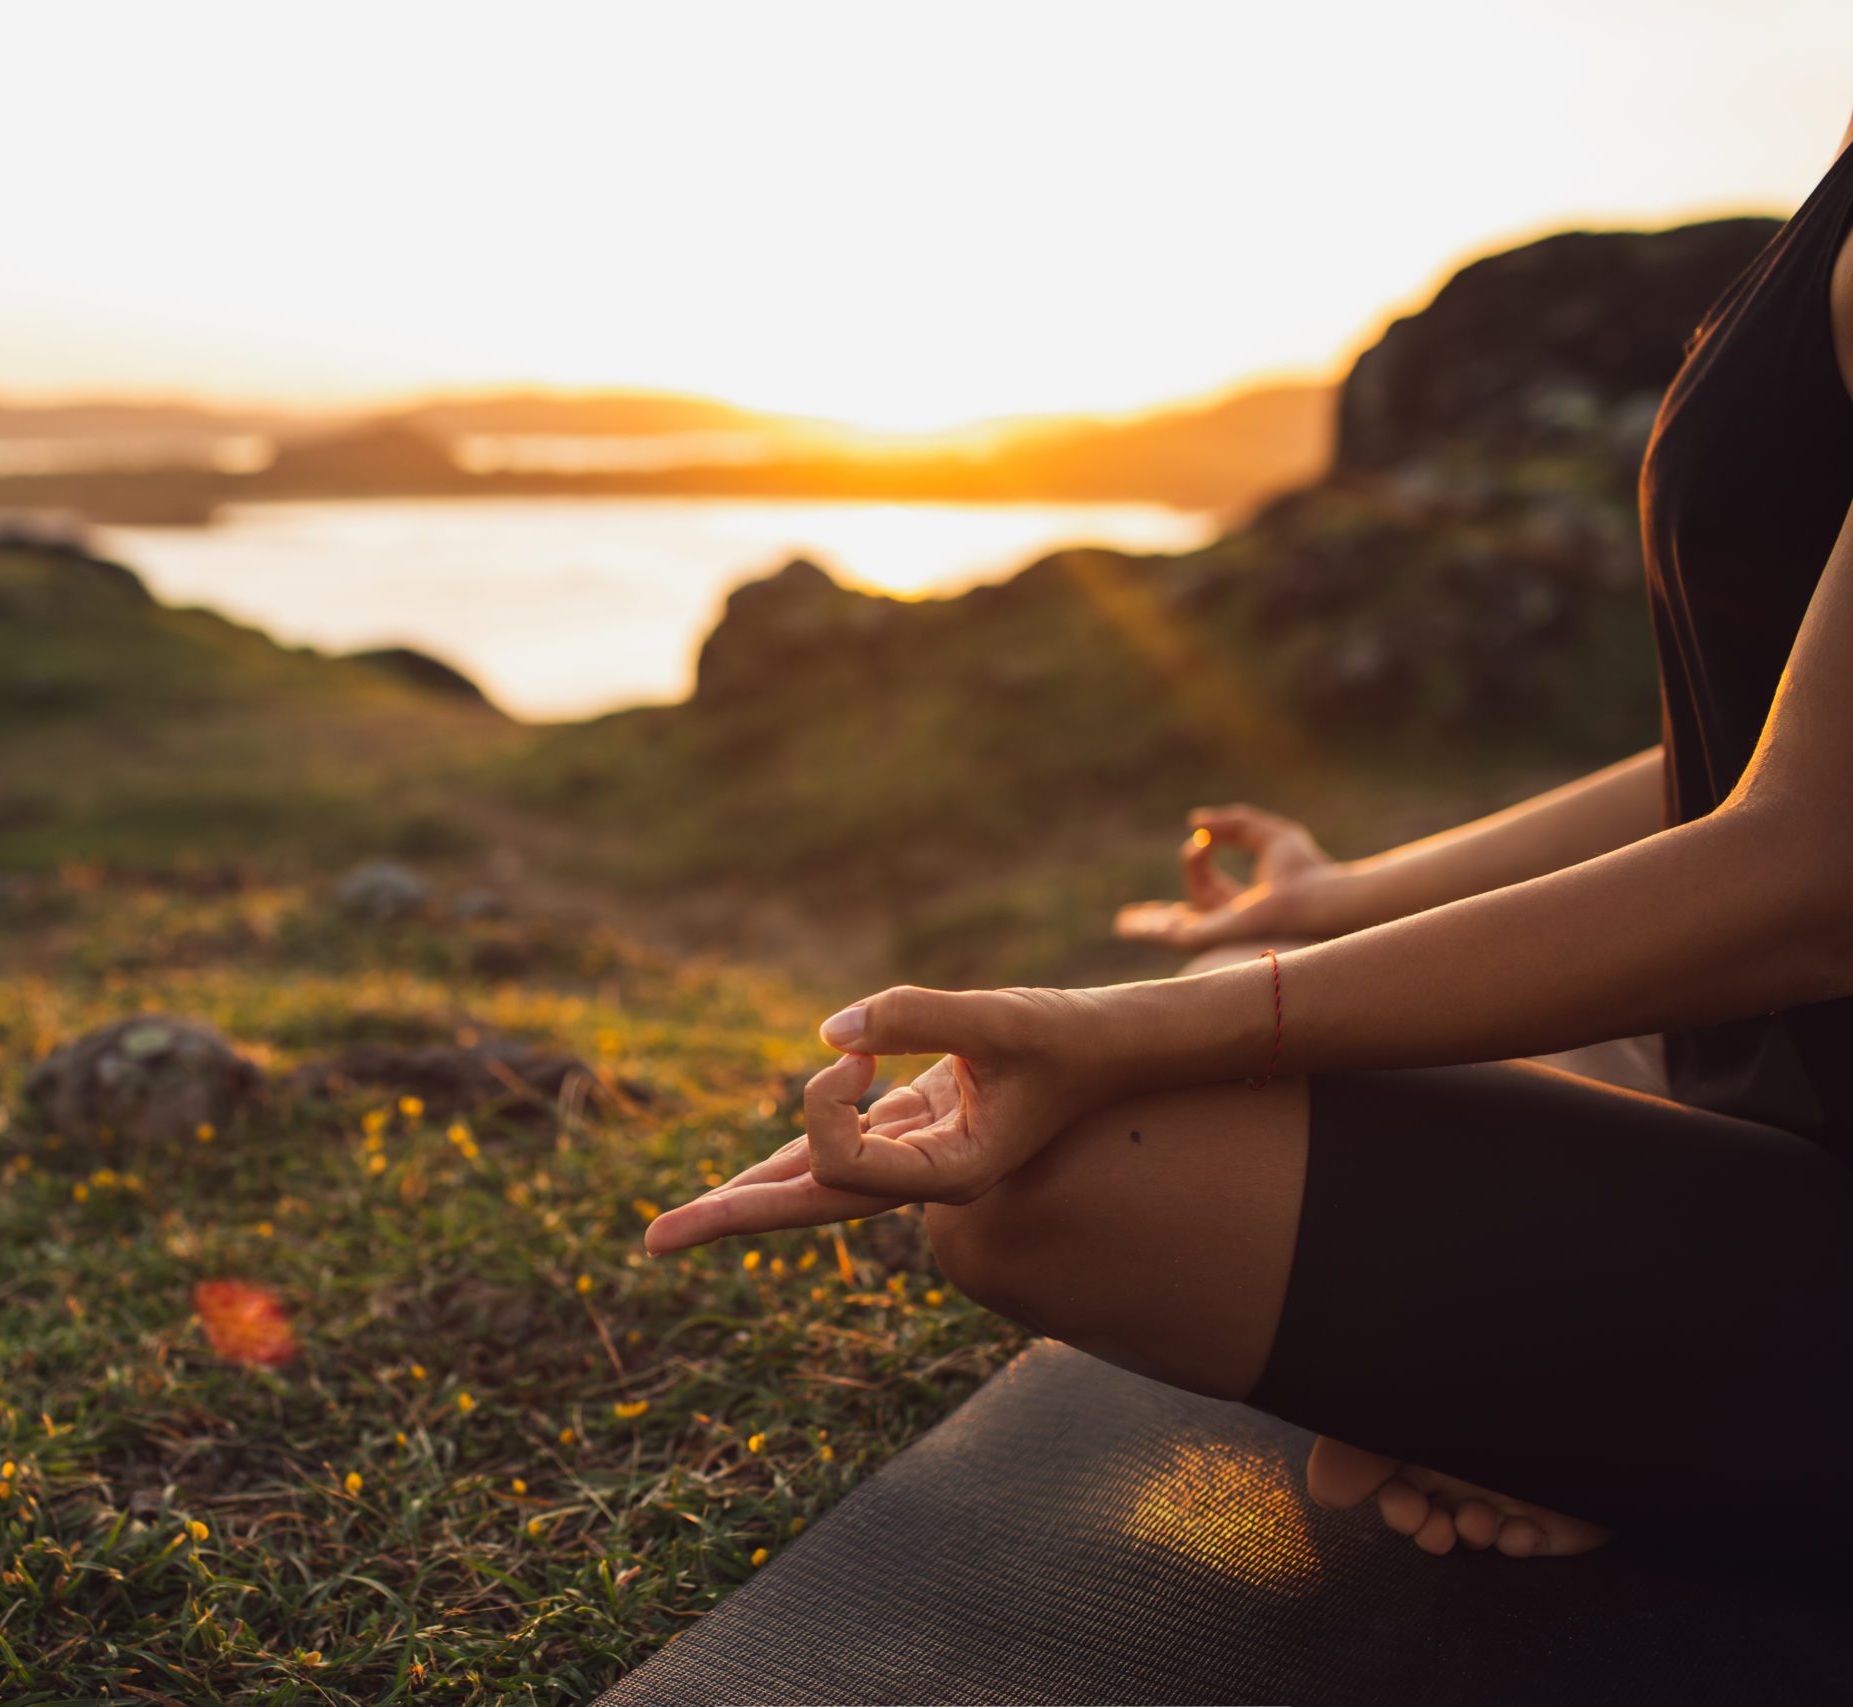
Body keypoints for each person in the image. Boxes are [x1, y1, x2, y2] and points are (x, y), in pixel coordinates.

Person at [644, 116, 1853, 1559]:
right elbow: (1750, 757)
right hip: (1779, 1088)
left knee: (1065, 1180)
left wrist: (1121, 1032)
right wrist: (1344, 900)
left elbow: (1812, 869)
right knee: (1244, 1055)